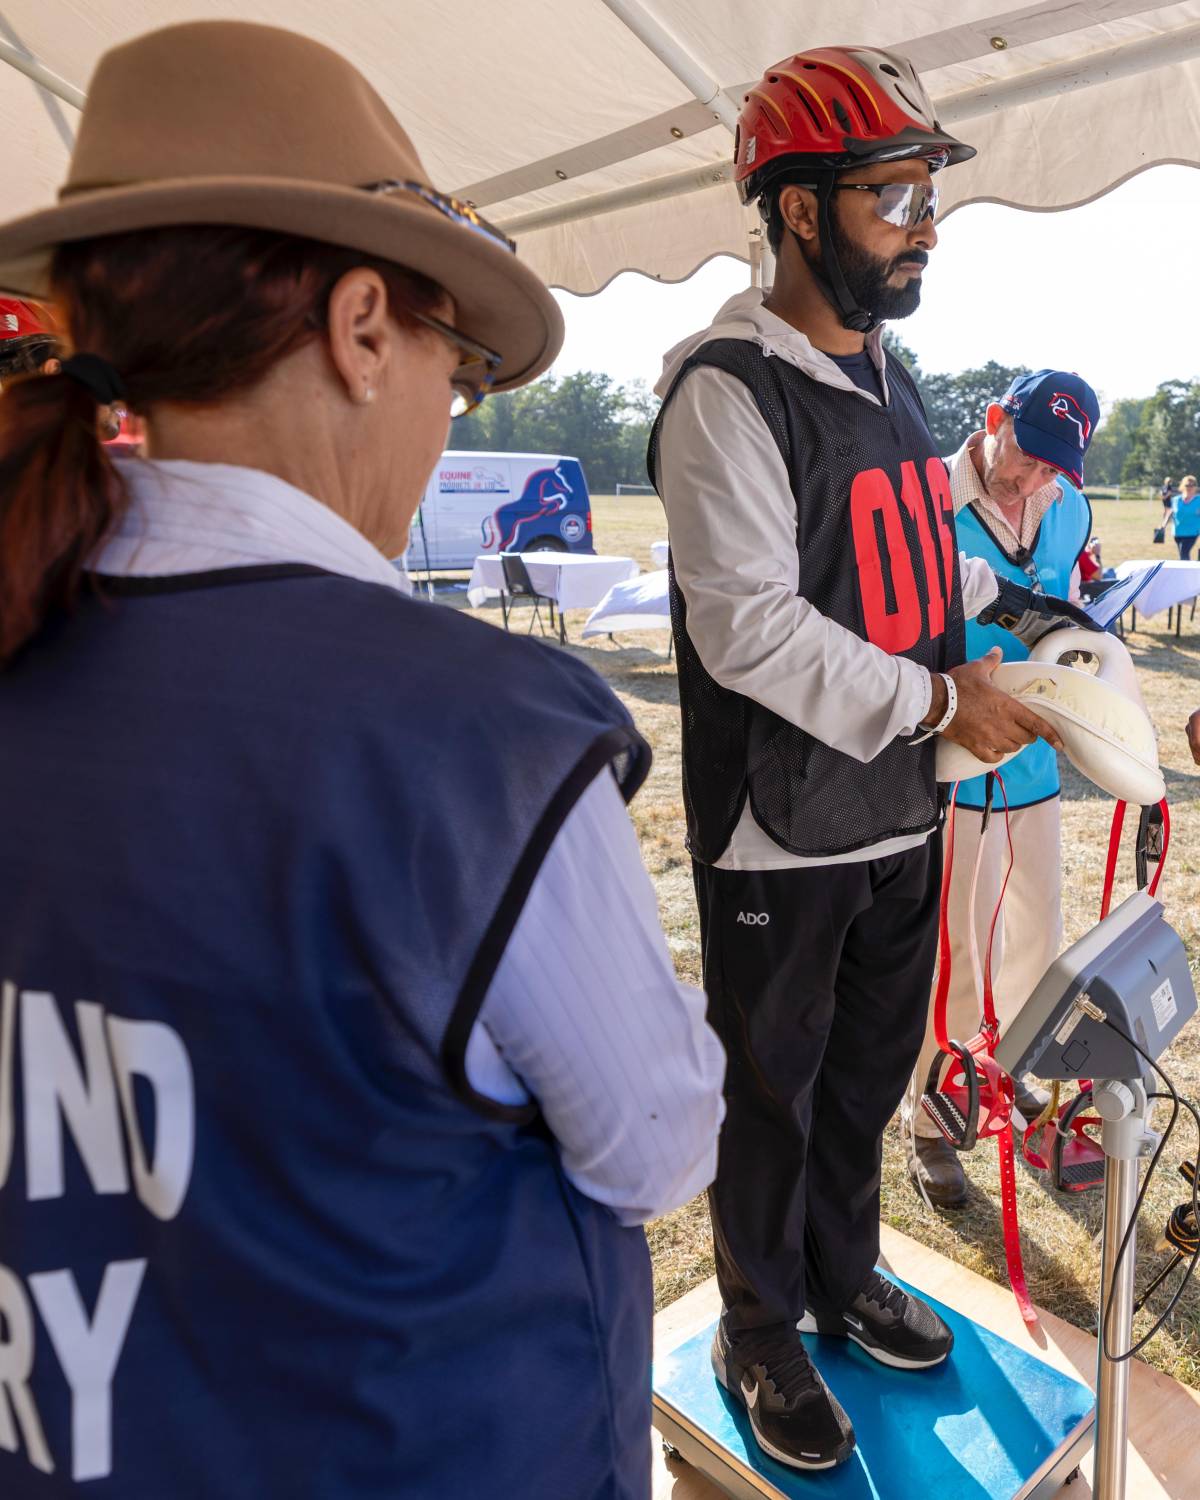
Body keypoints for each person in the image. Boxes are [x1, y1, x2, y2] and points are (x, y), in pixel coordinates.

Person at [0, 22, 725, 1500]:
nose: (445, 424)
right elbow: (656, 1145)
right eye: (457, 380)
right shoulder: (478, 732)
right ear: (362, 327)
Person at [649, 43, 1091, 1474]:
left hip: (903, 809)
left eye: (924, 193)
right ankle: (760, 1330)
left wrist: (1014, 658)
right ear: (794, 210)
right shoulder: (726, 387)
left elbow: (918, 579)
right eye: (895, 193)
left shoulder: (892, 375)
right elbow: (747, 633)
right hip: (783, 828)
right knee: (769, 1097)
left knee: (864, 1080)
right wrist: (934, 703)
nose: (925, 224)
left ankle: (844, 1277)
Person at [902, 371, 1100, 1208]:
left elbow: (1072, 606)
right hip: (950, 760)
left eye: (1058, 468)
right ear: (992, 422)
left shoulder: (1070, 508)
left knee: (1036, 940)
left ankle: (1010, 1074)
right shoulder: (923, 499)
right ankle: (931, 1117)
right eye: (1027, 460)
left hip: (1036, 767)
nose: (1035, 483)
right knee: (949, 952)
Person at [1171, 474, 1200, 558]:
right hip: (1178, 532)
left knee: (1184, 552)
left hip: (1192, 532)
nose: (1189, 487)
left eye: (1192, 485)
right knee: (1182, 554)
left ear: (1195, 487)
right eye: (1187, 485)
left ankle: (1186, 570)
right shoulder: (1176, 500)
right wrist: (1164, 524)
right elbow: (1171, 513)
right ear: (1183, 486)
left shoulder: (1198, 500)